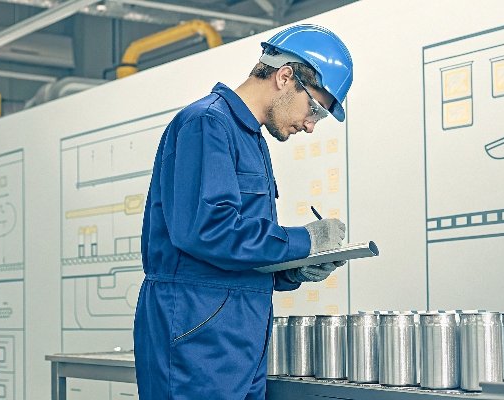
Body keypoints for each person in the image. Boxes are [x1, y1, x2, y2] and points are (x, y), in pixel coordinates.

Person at [133, 24, 354, 400]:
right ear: (286, 77)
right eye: (315, 108)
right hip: (197, 336)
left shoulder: (250, 139)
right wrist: (305, 240)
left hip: (240, 337)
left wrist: (292, 269)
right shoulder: (206, 124)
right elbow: (206, 230)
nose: (311, 126)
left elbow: (239, 247)